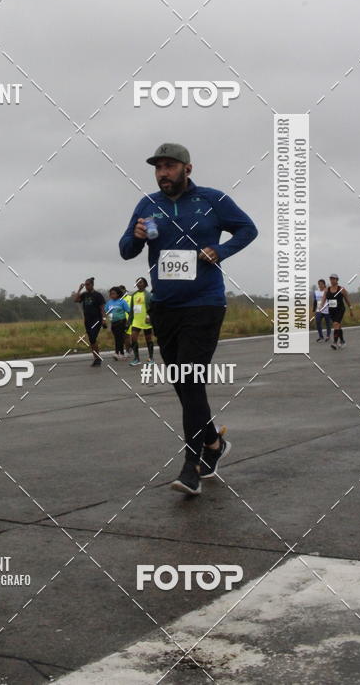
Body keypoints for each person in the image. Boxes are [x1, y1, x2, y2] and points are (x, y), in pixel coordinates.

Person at [119, 143, 258, 496]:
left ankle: (191, 465)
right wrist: (135, 237)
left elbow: (247, 229)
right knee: (184, 384)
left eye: (169, 166)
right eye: (158, 167)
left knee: (190, 378)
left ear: (187, 169)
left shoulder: (212, 199)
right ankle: (213, 443)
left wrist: (220, 250)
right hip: (165, 307)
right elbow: (125, 250)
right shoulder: (148, 205)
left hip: (204, 303)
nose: (163, 173)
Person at [73, 278, 107, 366]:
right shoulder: (84, 294)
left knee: (92, 337)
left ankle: (97, 358)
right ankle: (96, 358)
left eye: (88, 284)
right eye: (85, 285)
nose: (86, 286)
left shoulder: (98, 295)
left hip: (96, 319)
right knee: (91, 340)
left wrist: (104, 319)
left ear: (92, 285)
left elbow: (102, 308)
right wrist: (79, 289)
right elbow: (76, 300)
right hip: (87, 320)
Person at [128, 277, 154, 367]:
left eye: (140, 282)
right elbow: (131, 309)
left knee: (148, 340)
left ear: (145, 284)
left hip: (146, 321)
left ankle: (151, 358)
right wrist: (129, 321)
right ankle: (136, 359)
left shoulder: (148, 295)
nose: (138, 284)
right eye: (137, 282)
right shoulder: (134, 295)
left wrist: (149, 316)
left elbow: (152, 308)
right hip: (136, 321)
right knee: (133, 338)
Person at [321, 274, 353, 349]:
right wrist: (321, 306)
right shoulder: (327, 289)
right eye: (331, 279)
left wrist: (351, 309)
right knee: (338, 326)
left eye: (334, 279)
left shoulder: (341, 289)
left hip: (340, 309)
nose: (332, 280)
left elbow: (347, 300)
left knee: (336, 324)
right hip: (331, 310)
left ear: (337, 280)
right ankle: (342, 341)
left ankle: (335, 343)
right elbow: (323, 299)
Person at [104, 287, 130, 360]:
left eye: (113, 294)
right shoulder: (109, 302)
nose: (112, 295)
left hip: (121, 322)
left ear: (118, 294)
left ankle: (116, 353)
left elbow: (129, 312)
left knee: (119, 337)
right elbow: (105, 312)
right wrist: (104, 320)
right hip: (113, 322)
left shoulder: (122, 302)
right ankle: (121, 353)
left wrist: (128, 322)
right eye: (111, 294)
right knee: (117, 338)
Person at [313, 279, 331, 343]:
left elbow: (330, 300)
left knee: (328, 323)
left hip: (327, 309)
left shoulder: (327, 291)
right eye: (319, 284)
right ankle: (321, 336)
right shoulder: (316, 292)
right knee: (317, 322)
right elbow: (315, 301)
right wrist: (314, 309)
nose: (320, 285)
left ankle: (328, 336)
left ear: (324, 284)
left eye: (321, 284)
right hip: (319, 310)